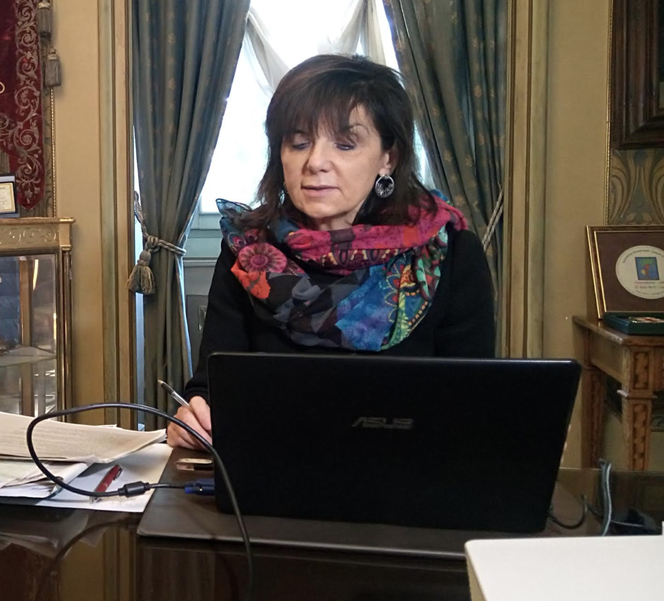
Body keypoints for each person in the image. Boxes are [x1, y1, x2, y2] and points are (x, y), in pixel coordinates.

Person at [168, 55, 495, 449]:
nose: (315, 163)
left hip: (410, 473)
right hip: (270, 470)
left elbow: (472, 403)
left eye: (345, 144)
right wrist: (194, 415)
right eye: (299, 142)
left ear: (388, 158)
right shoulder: (248, 249)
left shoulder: (447, 253)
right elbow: (211, 387)